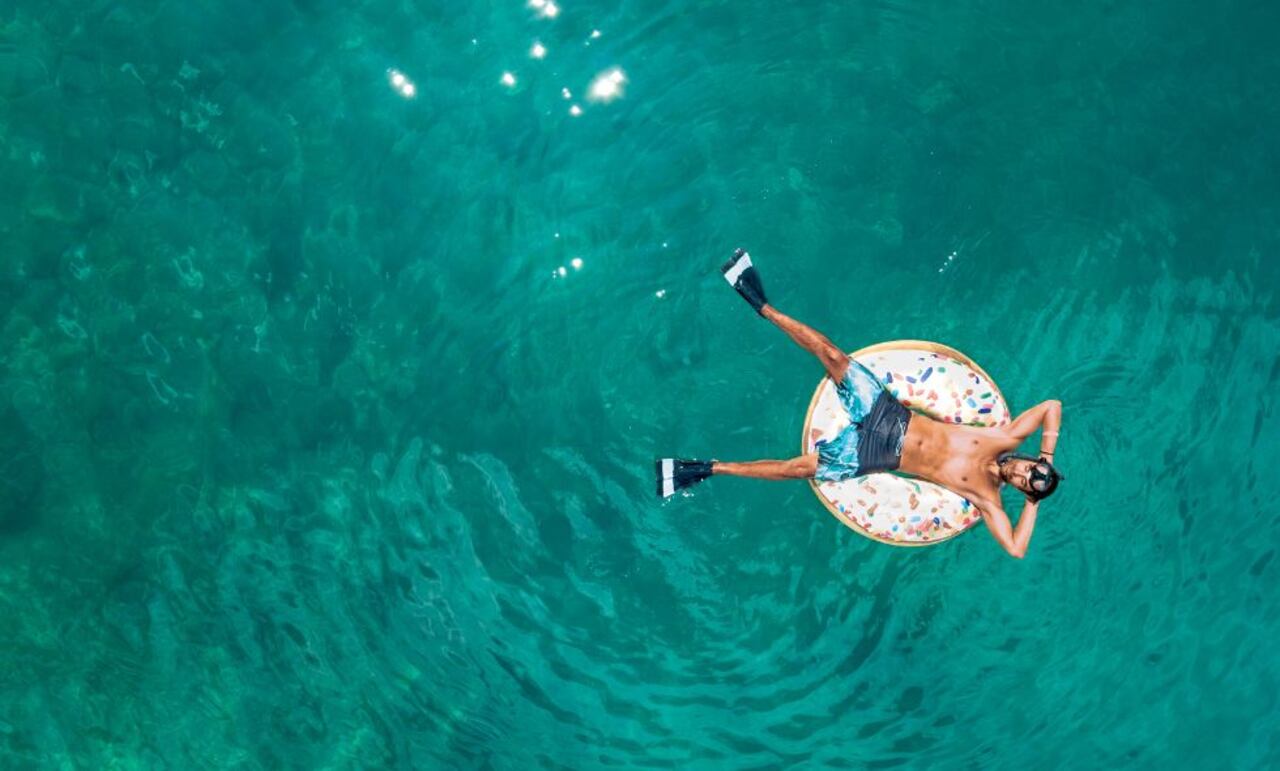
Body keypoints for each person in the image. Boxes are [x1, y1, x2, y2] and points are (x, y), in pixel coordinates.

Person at [656, 249, 1064, 559]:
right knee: (832, 355)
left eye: (1027, 481)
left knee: (798, 469)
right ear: (1029, 460)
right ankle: (760, 302)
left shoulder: (987, 497)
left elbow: (1015, 548)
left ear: (1021, 489)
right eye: (1031, 470)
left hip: (877, 454)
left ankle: (706, 469)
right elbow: (1052, 405)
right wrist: (1047, 454)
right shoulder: (1003, 437)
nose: (1024, 474)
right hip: (891, 414)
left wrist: (1033, 504)